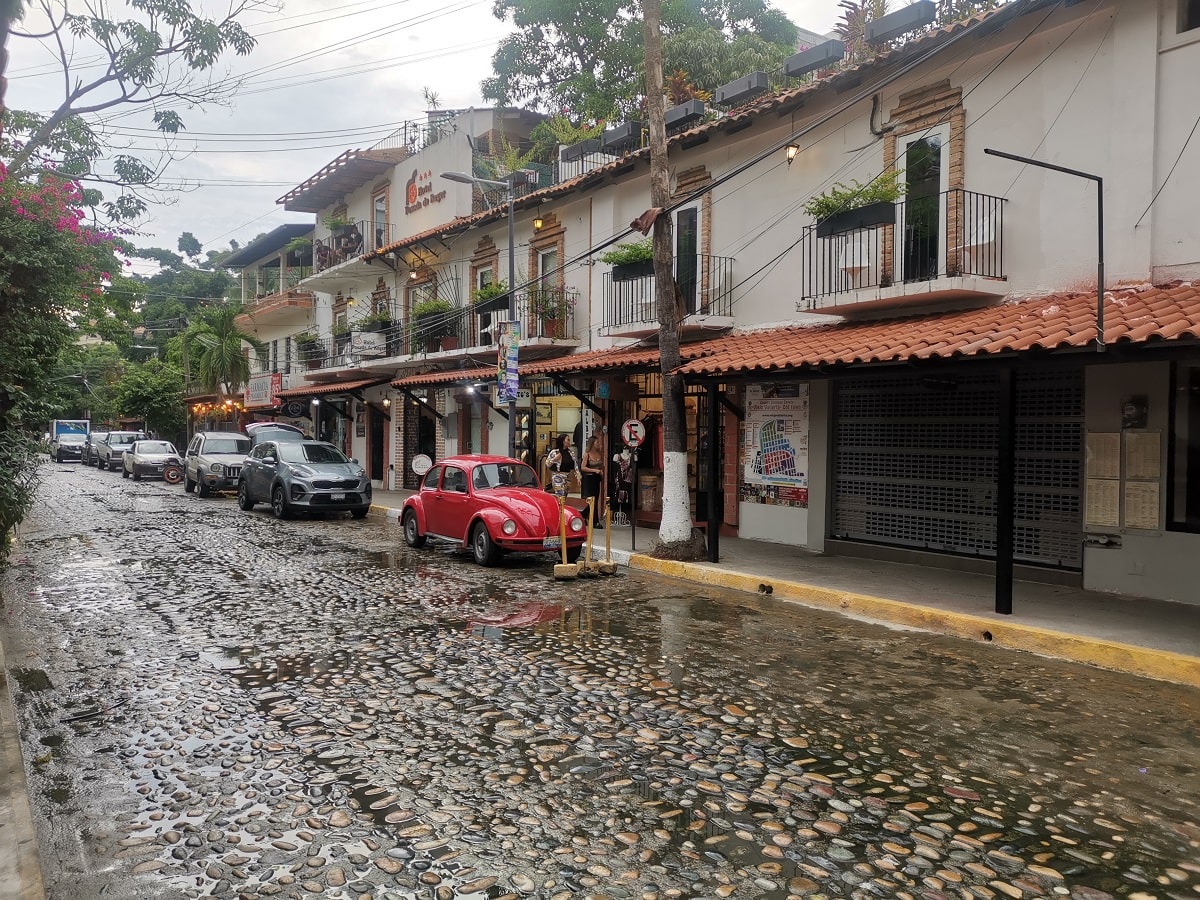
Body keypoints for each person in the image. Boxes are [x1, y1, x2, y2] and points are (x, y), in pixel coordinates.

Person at [580, 434, 605, 526]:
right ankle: (595, 521)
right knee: (592, 499)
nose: (599, 444)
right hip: (589, 478)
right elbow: (583, 467)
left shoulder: (599, 453)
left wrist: (600, 471)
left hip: (597, 478)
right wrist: (595, 470)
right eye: (597, 442)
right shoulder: (587, 454)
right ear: (592, 443)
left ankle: (583, 514)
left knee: (596, 499)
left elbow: (601, 465)